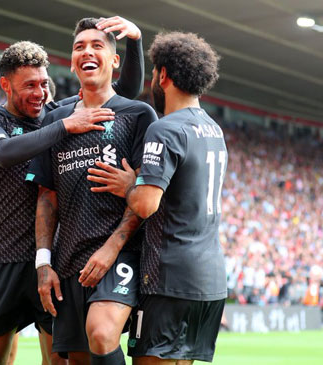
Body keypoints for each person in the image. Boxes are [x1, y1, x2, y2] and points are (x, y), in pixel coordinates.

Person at [0, 16, 145, 365]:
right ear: (6, 85)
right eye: (29, 86)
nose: (40, 93)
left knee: (58, 360)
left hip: (54, 259)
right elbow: (1, 154)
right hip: (4, 257)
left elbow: (123, 93)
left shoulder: (54, 113)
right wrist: (65, 125)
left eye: (44, 84)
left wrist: (135, 42)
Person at [87, 31, 226, 364]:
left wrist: (128, 186)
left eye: (153, 73)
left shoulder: (165, 128)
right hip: (210, 281)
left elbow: (146, 204)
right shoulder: (213, 129)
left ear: (163, 75)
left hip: (170, 278)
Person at [27, 17, 157, 365]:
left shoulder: (138, 114)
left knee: (101, 333)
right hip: (69, 261)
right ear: (71, 62)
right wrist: (44, 264)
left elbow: (144, 192)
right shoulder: (56, 120)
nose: (87, 51)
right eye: (79, 47)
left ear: (114, 62)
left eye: (97, 46)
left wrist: (111, 249)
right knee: (79, 359)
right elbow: (46, 196)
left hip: (120, 255)